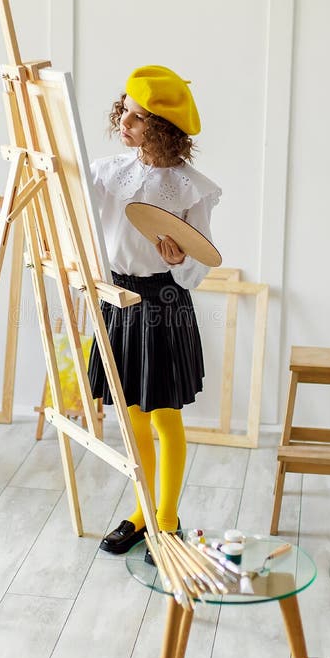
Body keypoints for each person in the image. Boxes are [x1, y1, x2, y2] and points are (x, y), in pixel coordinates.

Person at [88, 64, 222, 555]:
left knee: (164, 416)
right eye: (124, 108)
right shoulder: (106, 172)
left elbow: (200, 262)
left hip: (164, 303)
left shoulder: (192, 188)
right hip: (119, 300)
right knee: (132, 416)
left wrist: (180, 259)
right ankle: (142, 510)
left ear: (162, 129)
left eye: (138, 117)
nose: (124, 121)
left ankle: (166, 520)